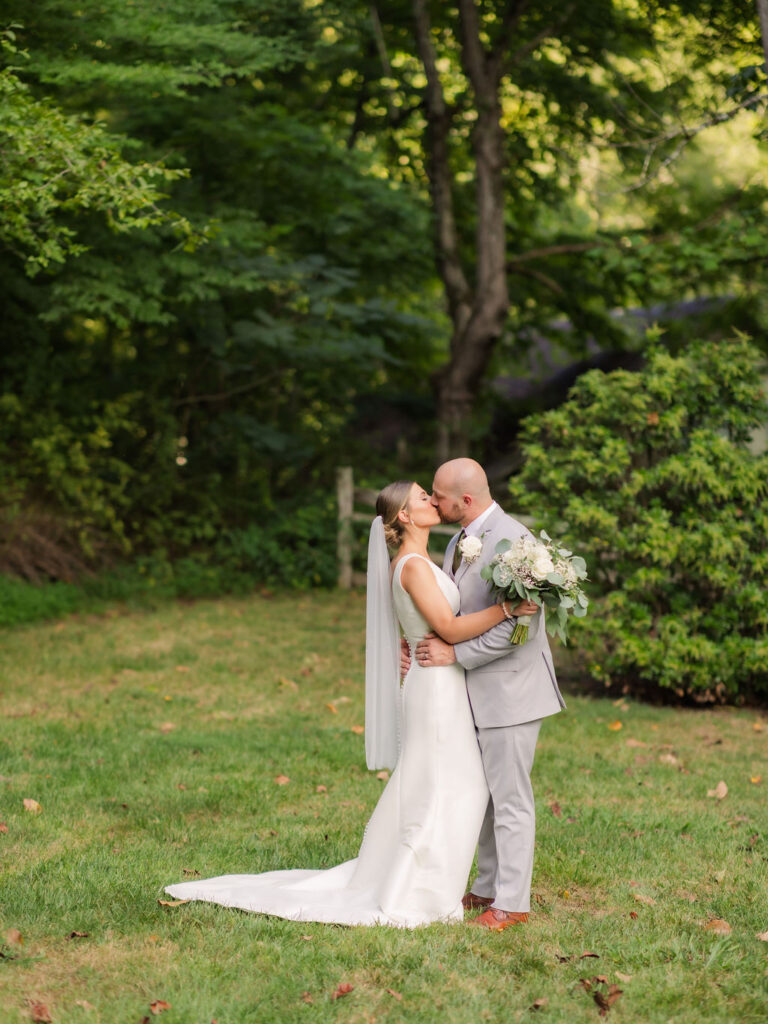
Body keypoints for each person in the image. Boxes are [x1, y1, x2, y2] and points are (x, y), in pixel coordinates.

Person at [164, 480, 532, 927]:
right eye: (422, 498)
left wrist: (414, 639)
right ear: (404, 516)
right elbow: (450, 631)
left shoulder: (426, 559)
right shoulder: (413, 566)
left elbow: (434, 621)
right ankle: (420, 885)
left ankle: (436, 878)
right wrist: (508, 611)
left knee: (445, 782)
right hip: (435, 689)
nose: (432, 502)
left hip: (441, 683)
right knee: (447, 782)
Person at [405, 458, 566, 932]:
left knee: (511, 798)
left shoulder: (516, 544)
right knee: (487, 796)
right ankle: (489, 884)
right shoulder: (458, 539)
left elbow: (521, 630)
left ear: (466, 501)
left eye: (439, 495)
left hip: (513, 691)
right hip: (475, 692)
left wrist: (456, 656)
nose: (433, 502)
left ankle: (513, 903)